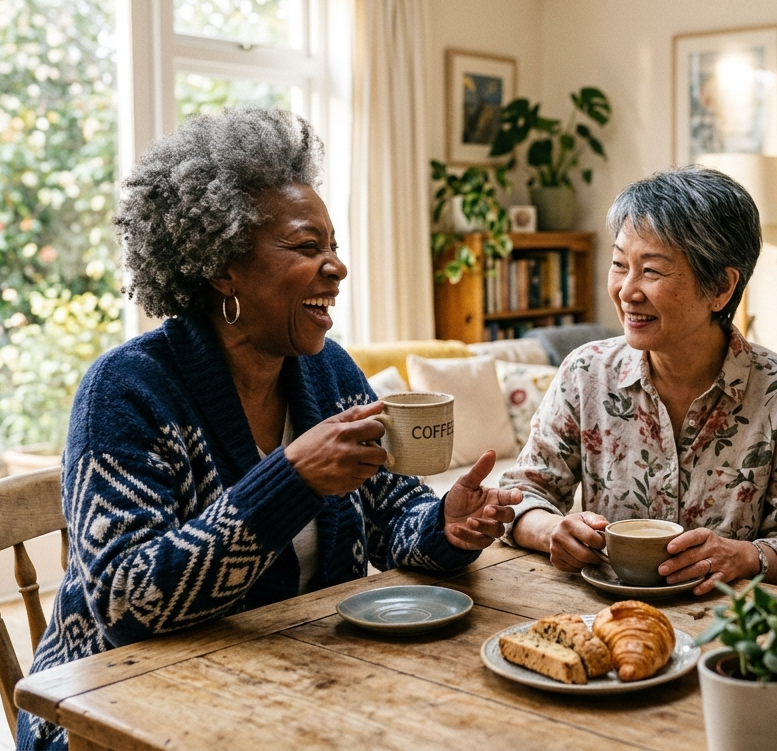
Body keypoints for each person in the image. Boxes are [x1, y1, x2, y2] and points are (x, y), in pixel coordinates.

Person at [17, 108, 521, 748]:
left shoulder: (329, 372)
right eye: (308, 247)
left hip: (284, 687)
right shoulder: (127, 390)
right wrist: (292, 479)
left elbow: (392, 518)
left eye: (333, 246)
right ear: (222, 266)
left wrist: (445, 525)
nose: (336, 267)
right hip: (110, 718)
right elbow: (125, 604)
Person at [501, 166, 777, 595]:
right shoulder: (586, 372)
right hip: (605, 615)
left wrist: (743, 556)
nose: (626, 291)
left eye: (651, 271)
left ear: (721, 287)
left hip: (725, 621)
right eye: (619, 265)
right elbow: (520, 496)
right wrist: (552, 531)